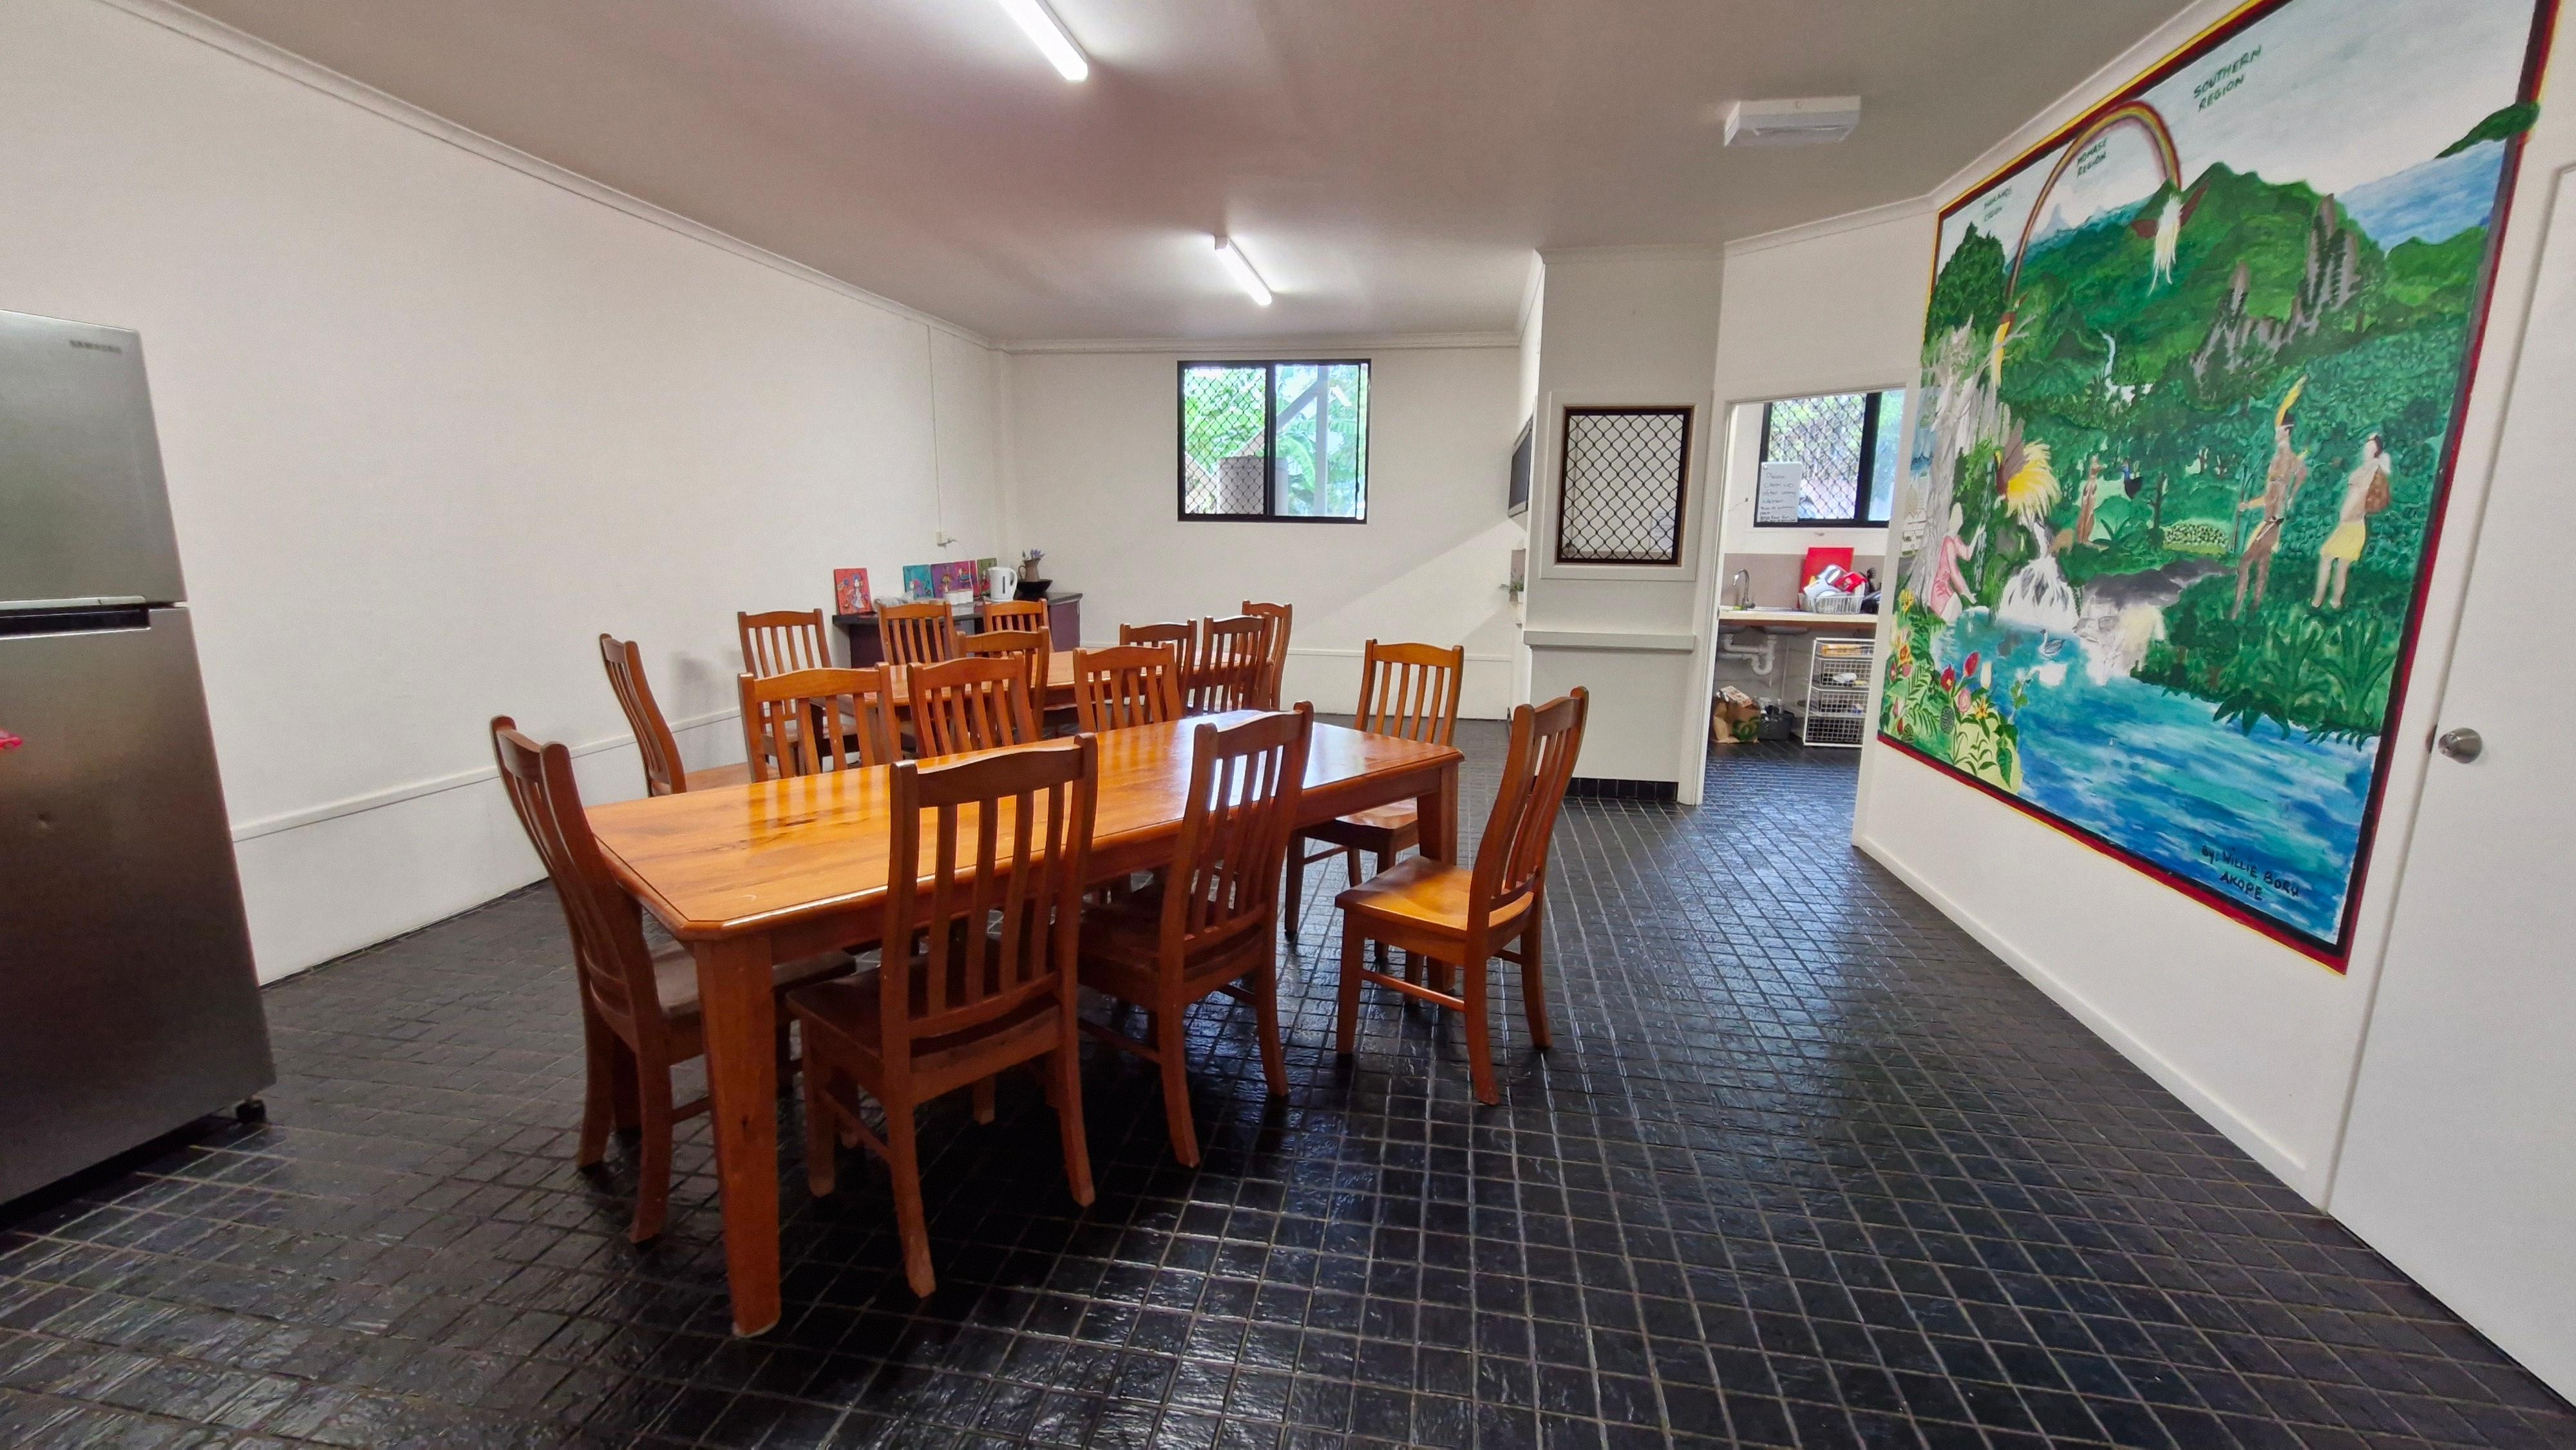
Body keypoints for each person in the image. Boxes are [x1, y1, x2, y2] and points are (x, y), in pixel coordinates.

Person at [2235, 386, 2308, 619]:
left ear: (2286, 431)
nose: (2275, 433)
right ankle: (2254, 606)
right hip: (2273, 519)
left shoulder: (2284, 458)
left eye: (2278, 429)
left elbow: (2275, 493)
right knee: (2262, 564)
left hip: (2273, 521)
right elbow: (2300, 474)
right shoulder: (2284, 457)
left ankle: (2239, 606)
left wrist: (2282, 503)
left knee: (2246, 563)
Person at [2313, 434, 2389, 609]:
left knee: (2337, 563)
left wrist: (2379, 457)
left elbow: (2381, 470)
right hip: (2345, 525)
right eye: (2366, 446)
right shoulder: (2363, 468)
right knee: (2331, 560)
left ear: (2377, 451)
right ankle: (2324, 601)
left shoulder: (2373, 470)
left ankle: (2329, 601)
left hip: (2353, 526)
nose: (2366, 449)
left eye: (2371, 447)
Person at [1929, 502, 1975, 622]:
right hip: (1939, 592)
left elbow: (1967, 555)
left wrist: (1977, 535)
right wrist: (1968, 595)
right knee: (1957, 608)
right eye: (1956, 514)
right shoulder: (1948, 542)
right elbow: (1955, 574)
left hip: (1946, 590)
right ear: (1950, 518)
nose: (1959, 518)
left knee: (1958, 609)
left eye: (1960, 514)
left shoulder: (1955, 539)